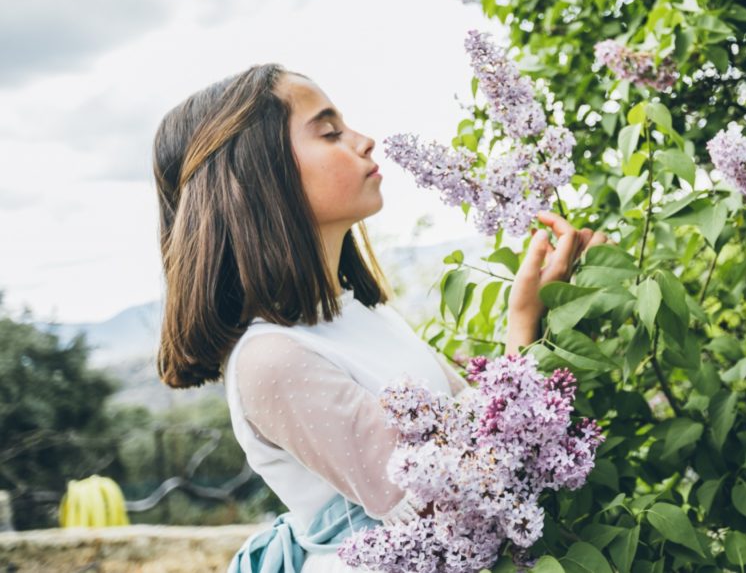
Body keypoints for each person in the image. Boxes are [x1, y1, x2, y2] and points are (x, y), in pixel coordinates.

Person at [151, 63, 611, 572]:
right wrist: (522, 324)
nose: (365, 141)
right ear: (259, 178)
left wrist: (555, 319)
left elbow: (485, 427)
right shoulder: (273, 359)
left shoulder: (365, 314)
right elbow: (458, 507)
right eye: (329, 132)